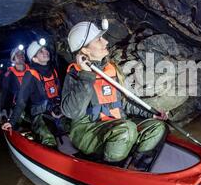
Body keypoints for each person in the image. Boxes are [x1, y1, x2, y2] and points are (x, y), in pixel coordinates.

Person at [62, 20, 168, 167]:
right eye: (98, 39)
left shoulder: (111, 70)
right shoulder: (75, 75)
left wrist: (151, 114)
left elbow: (124, 103)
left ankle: (135, 168)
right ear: (85, 50)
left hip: (116, 126)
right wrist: (86, 76)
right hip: (88, 131)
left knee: (157, 127)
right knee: (127, 129)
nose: (105, 41)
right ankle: (112, 169)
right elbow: (71, 112)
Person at [2, 39, 63, 147]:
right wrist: (10, 121)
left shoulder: (53, 70)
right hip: (39, 114)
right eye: (41, 51)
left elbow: (59, 93)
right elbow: (20, 100)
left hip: (56, 110)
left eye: (45, 49)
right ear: (34, 58)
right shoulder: (28, 75)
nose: (46, 52)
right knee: (48, 138)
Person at [0, 45, 30, 121]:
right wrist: (4, 110)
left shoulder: (32, 71)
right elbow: (6, 94)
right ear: (13, 59)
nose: (21, 56)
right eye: (18, 55)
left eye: (22, 54)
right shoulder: (9, 75)